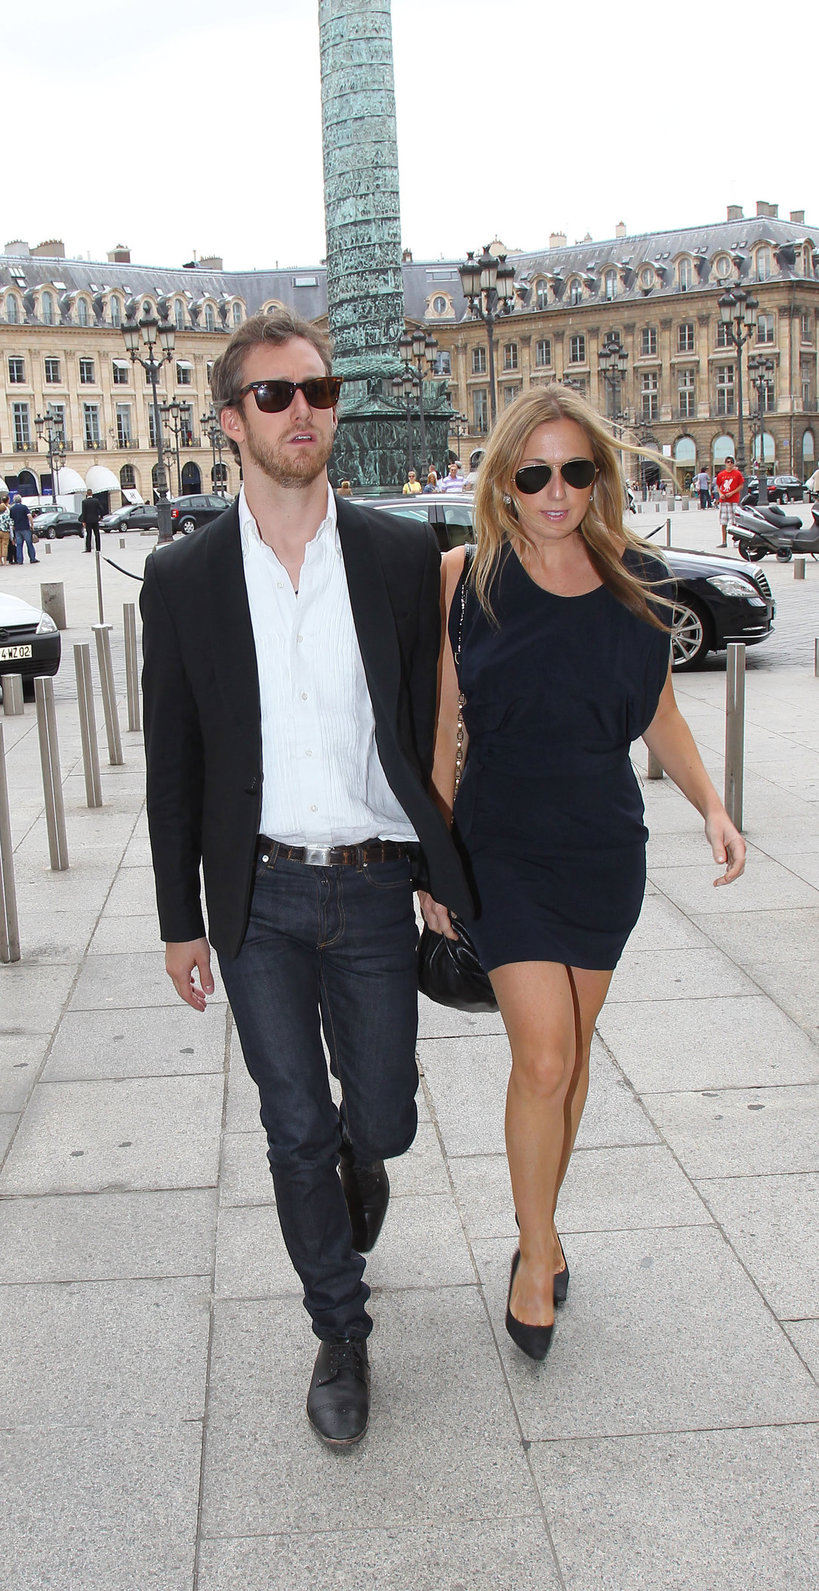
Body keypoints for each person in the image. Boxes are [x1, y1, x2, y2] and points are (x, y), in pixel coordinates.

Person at [140, 308, 470, 1447]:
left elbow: (427, 725)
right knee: (292, 1125)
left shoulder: (395, 555)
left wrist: (441, 863)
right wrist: (180, 920)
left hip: (375, 886)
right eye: (275, 395)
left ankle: (358, 1157)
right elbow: (175, 760)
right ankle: (340, 1329)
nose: (303, 412)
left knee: (381, 1116)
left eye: (318, 392)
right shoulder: (183, 575)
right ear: (230, 419)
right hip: (260, 897)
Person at [419, 385, 745, 1363]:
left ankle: (542, 1224)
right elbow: (442, 727)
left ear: (598, 476)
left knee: (574, 1052)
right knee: (544, 1059)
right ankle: (535, 1254)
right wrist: (433, 857)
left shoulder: (639, 578)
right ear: (503, 482)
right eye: (534, 473)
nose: (555, 491)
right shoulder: (464, 577)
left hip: (602, 846)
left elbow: (661, 714)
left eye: (574, 470)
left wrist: (712, 805)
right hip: (500, 846)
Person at [715, 455, 744, 546]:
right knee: (723, 521)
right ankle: (724, 541)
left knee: (733, 521)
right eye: (728, 462)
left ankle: (735, 541)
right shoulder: (721, 474)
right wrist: (720, 494)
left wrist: (732, 493)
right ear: (725, 463)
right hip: (723, 500)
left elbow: (741, 486)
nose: (729, 464)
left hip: (733, 500)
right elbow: (718, 486)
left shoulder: (737, 474)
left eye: (731, 462)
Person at [9, 494, 37, 563]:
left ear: (14, 501)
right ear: (21, 500)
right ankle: (32, 558)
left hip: (17, 529)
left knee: (19, 545)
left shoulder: (12, 508)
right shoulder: (24, 507)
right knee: (29, 543)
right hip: (25, 527)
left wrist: (13, 527)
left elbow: (11, 519)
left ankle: (20, 560)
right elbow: (29, 516)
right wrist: (32, 524)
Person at [0, 492, 12, 564]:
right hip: (5, 531)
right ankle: (4, 561)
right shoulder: (6, 515)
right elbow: (10, 523)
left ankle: (0, 562)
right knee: (5, 545)